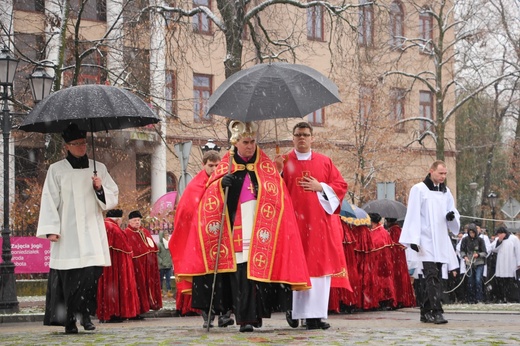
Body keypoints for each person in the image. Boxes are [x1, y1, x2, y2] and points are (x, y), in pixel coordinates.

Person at [177, 120, 311, 333]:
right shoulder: (226, 166)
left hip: (260, 229)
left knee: (256, 277)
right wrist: (221, 184)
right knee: (240, 276)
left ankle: (254, 316)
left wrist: (276, 176)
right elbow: (209, 195)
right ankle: (244, 318)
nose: (250, 146)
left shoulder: (265, 166)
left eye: (253, 141)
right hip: (234, 230)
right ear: (236, 142)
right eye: (246, 142)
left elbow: (278, 194)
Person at [36, 123, 119, 334]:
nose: (82, 147)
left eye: (83, 143)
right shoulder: (56, 170)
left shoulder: (98, 168)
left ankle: (85, 313)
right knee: (70, 279)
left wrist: (99, 188)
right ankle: (70, 319)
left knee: (91, 275)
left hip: (91, 230)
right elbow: (49, 200)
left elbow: (112, 197)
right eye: (76, 144)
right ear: (67, 146)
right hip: (68, 233)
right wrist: (51, 228)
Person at [275, 121, 349, 330]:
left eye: (306, 135)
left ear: (312, 138)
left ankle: (316, 316)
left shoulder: (325, 162)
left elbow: (341, 186)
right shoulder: (285, 161)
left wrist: (321, 187)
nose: (302, 138)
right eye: (298, 135)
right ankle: (295, 310)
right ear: (293, 138)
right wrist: (278, 172)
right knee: (297, 268)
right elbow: (273, 190)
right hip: (294, 225)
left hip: (319, 226)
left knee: (319, 270)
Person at [170, 150, 233, 327]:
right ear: (204, 165)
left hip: (222, 239)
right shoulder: (195, 185)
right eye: (210, 165)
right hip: (201, 241)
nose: (214, 169)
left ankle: (225, 314)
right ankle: (207, 314)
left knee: (224, 278)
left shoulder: (224, 181)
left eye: (217, 165)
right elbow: (187, 210)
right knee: (204, 280)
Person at [399, 160, 460, 324]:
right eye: (440, 173)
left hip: (439, 239)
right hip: (425, 240)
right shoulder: (419, 189)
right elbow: (413, 213)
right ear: (431, 171)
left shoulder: (446, 191)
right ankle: (437, 311)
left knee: (435, 277)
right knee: (431, 275)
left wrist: (451, 217)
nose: (443, 176)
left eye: (445, 174)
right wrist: (413, 238)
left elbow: (452, 210)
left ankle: (425, 311)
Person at [97, 209, 140, 323]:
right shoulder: (114, 229)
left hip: (105, 265)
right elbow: (124, 250)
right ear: (118, 219)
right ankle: (114, 312)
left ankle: (106, 312)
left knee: (106, 288)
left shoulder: (102, 226)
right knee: (115, 288)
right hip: (115, 267)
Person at [124, 210, 163, 318]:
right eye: (135, 220)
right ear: (130, 221)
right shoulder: (127, 233)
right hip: (137, 267)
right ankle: (137, 309)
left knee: (146, 286)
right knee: (138, 287)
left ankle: (147, 306)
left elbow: (151, 248)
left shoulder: (145, 231)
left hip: (147, 266)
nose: (137, 222)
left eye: (138, 220)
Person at [490, 227, 520, 303]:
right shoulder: (498, 239)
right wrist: (499, 241)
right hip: (501, 264)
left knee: (510, 281)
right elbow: (492, 248)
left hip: (510, 263)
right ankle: (502, 297)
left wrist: (518, 263)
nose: (499, 235)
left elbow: (518, 250)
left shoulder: (514, 239)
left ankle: (511, 298)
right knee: (501, 281)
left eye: (500, 234)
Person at [459, 223, 487, 303]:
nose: (472, 234)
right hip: (469, 263)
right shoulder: (465, 240)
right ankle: (471, 298)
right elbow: (462, 250)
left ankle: (479, 298)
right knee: (470, 281)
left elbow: (485, 252)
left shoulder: (480, 240)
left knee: (478, 280)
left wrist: (478, 255)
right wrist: (465, 256)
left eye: (473, 232)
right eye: (470, 233)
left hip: (479, 263)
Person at [157, 230, 173, 298]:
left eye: (167, 234)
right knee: (160, 279)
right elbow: (157, 254)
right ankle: (160, 291)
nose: (167, 235)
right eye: (165, 234)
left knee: (168, 279)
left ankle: (169, 291)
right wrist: (161, 262)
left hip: (169, 265)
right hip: (162, 266)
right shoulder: (159, 244)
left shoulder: (170, 243)